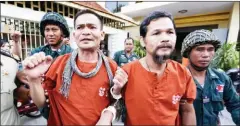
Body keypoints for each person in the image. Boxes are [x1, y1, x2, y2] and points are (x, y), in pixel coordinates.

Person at [22, 9, 127, 125]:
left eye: (92, 27)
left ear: (102, 35)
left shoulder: (111, 67)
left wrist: (107, 116)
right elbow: (42, 103)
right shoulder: (59, 63)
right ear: (74, 35)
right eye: (80, 27)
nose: (85, 32)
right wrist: (33, 80)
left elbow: (117, 101)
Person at [111, 10, 197, 125]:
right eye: (156, 33)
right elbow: (113, 104)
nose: (165, 38)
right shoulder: (127, 72)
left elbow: (187, 111)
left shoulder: (183, 73)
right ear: (142, 41)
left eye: (170, 32)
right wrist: (116, 90)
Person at [181, 29, 240, 126]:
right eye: (199, 49)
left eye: (210, 49)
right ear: (188, 53)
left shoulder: (221, 78)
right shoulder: (177, 79)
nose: (206, 55)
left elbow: (235, 105)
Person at [1, 31, 23, 125]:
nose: (6, 48)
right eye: (3, 46)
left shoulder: (8, 61)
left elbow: (16, 59)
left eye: (7, 46)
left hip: (8, 117)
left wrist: (16, 42)